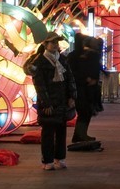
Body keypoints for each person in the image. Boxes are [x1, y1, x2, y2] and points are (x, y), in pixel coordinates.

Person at [27, 33, 77, 170]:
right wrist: (46, 103)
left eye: (56, 42)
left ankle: (60, 158)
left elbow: (70, 79)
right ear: (45, 44)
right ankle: (47, 160)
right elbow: (39, 85)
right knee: (48, 133)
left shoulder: (63, 60)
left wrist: (72, 96)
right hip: (48, 103)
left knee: (61, 131)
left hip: (62, 101)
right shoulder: (39, 62)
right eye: (52, 42)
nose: (55, 45)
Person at [66, 34, 102, 143]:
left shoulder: (83, 54)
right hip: (80, 88)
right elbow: (73, 72)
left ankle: (81, 134)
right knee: (84, 111)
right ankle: (80, 135)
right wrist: (86, 78)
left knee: (87, 111)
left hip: (87, 88)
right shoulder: (75, 56)